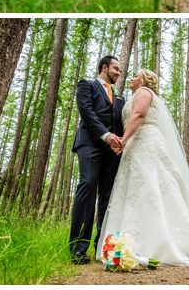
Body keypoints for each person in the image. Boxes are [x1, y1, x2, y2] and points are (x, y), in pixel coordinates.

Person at [96, 69, 189, 266]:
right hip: (136, 144)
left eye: (136, 75)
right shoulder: (136, 95)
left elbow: (139, 115)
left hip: (144, 142)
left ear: (143, 80)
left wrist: (123, 141)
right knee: (137, 188)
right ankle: (127, 243)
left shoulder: (143, 92)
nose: (132, 78)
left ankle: (160, 242)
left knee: (151, 185)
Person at [69, 55, 125, 263]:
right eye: (116, 69)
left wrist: (121, 142)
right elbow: (87, 112)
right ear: (104, 67)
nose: (118, 73)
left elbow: (120, 122)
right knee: (88, 186)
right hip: (90, 145)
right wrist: (105, 135)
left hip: (112, 151)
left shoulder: (120, 98)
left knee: (108, 197)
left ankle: (102, 247)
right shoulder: (87, 85)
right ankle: (78, 248)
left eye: (119, 70)